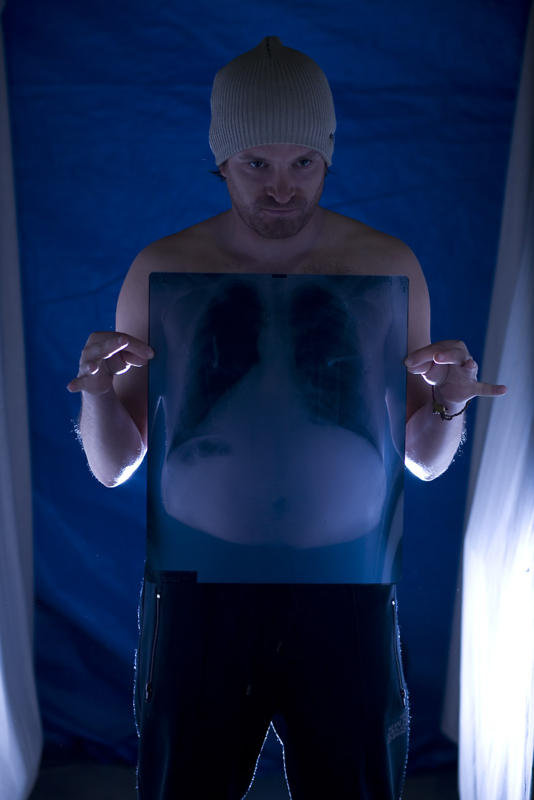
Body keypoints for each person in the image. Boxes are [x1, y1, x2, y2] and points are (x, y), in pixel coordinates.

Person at [67, 36, 506, 800]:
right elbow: (113, 467)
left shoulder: (384, 265)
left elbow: (425, 459)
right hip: (199, 596)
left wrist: (448, 401)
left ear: (328, 155)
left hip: (347, 591)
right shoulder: (165, 268)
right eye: (256, 164)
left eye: (303, 162)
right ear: (221, 158)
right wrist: (99, 394)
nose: (281, 188)